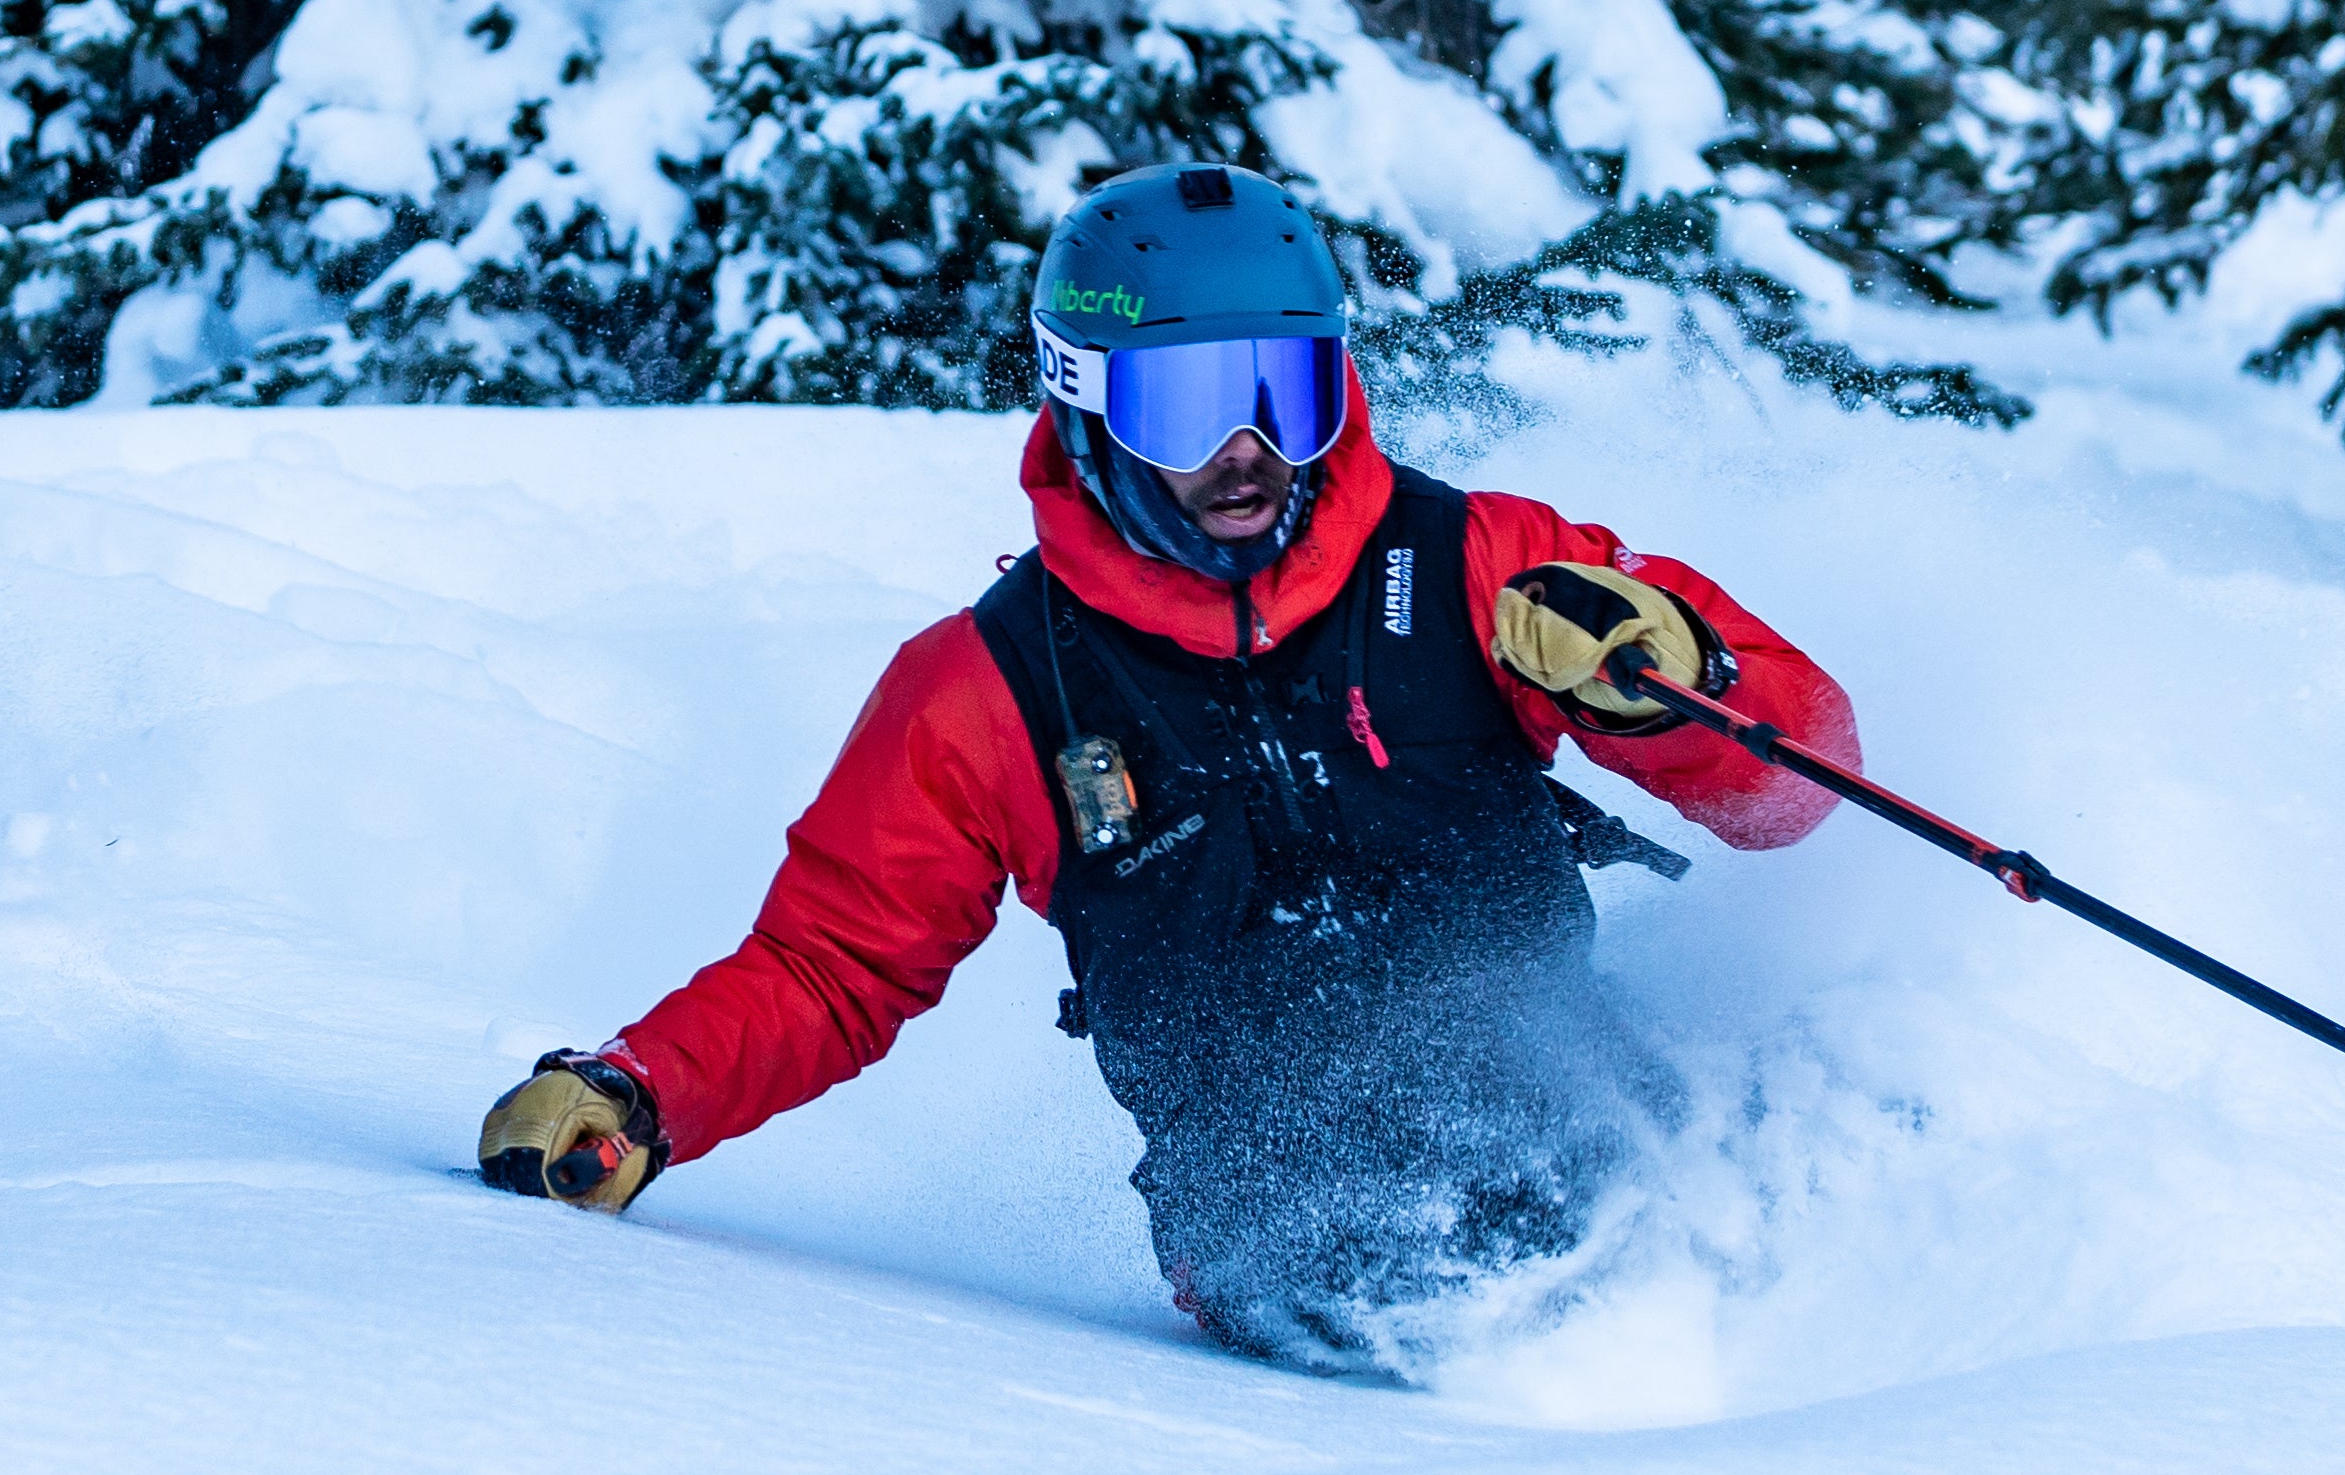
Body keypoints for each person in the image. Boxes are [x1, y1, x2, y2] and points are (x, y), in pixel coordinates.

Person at [474, 161, 1862, 1375]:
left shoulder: (1480, 566)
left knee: (1817, 1123)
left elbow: (1804, 788)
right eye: (1189, 404)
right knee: (1462, 1268)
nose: (1247, 452)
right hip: (1279, 1204)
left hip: (1572, 1079)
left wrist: (1676, 680)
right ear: (1084, 403)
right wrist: (639, 1094)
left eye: (1289, 391)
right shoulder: (990, 691)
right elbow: (833, 967)